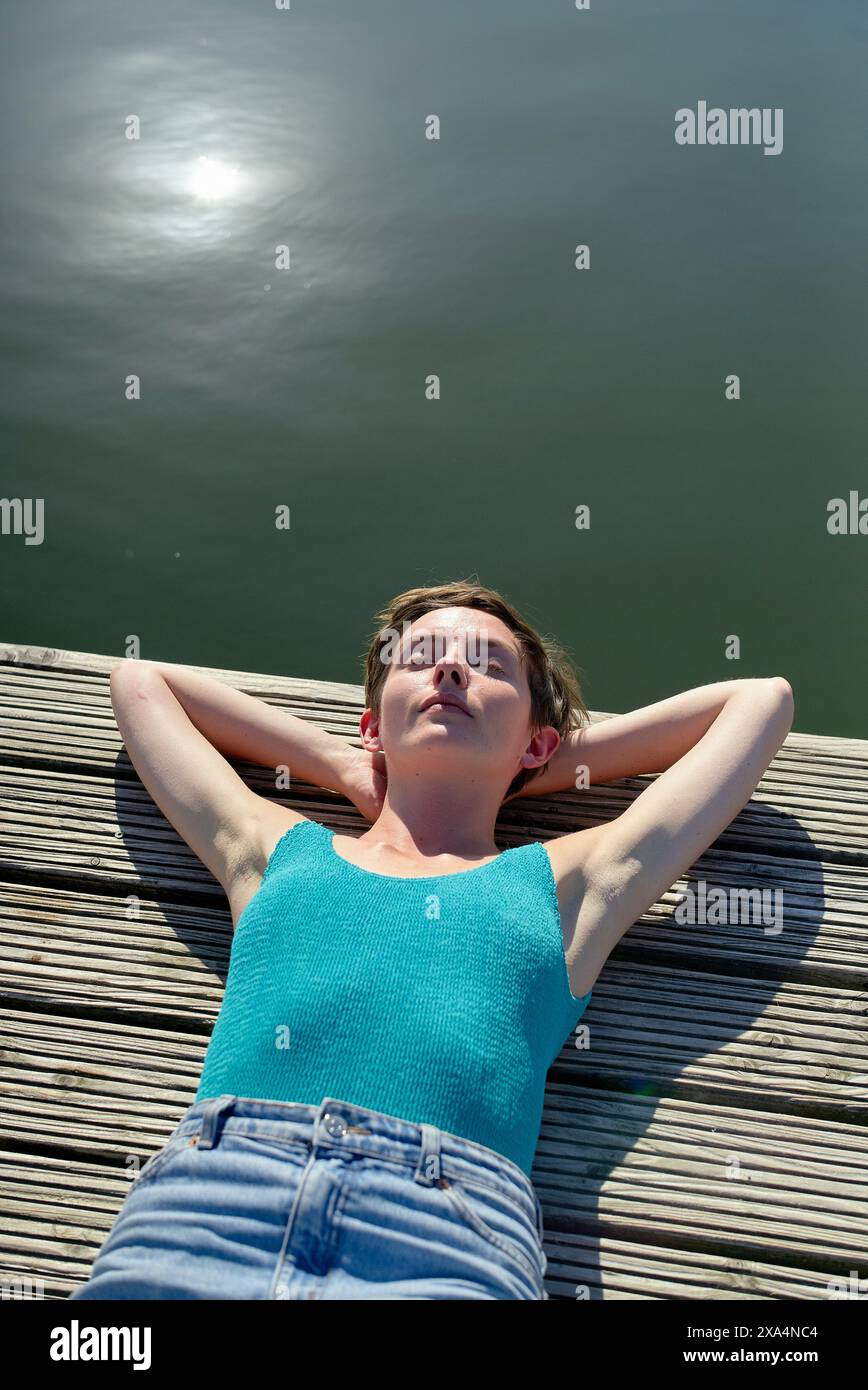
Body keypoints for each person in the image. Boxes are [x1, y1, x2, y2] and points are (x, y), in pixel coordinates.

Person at [69, 578, 793, 1300]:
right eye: (420, 659)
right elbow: (141, 683)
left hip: (442, 1235)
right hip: (215, 1203)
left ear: (541, 738)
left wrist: (529, 768)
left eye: (488, 664)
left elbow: (759, 703)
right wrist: (350, 765)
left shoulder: (571, 886)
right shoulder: (274, 849)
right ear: (371, 724)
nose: (450, 670)